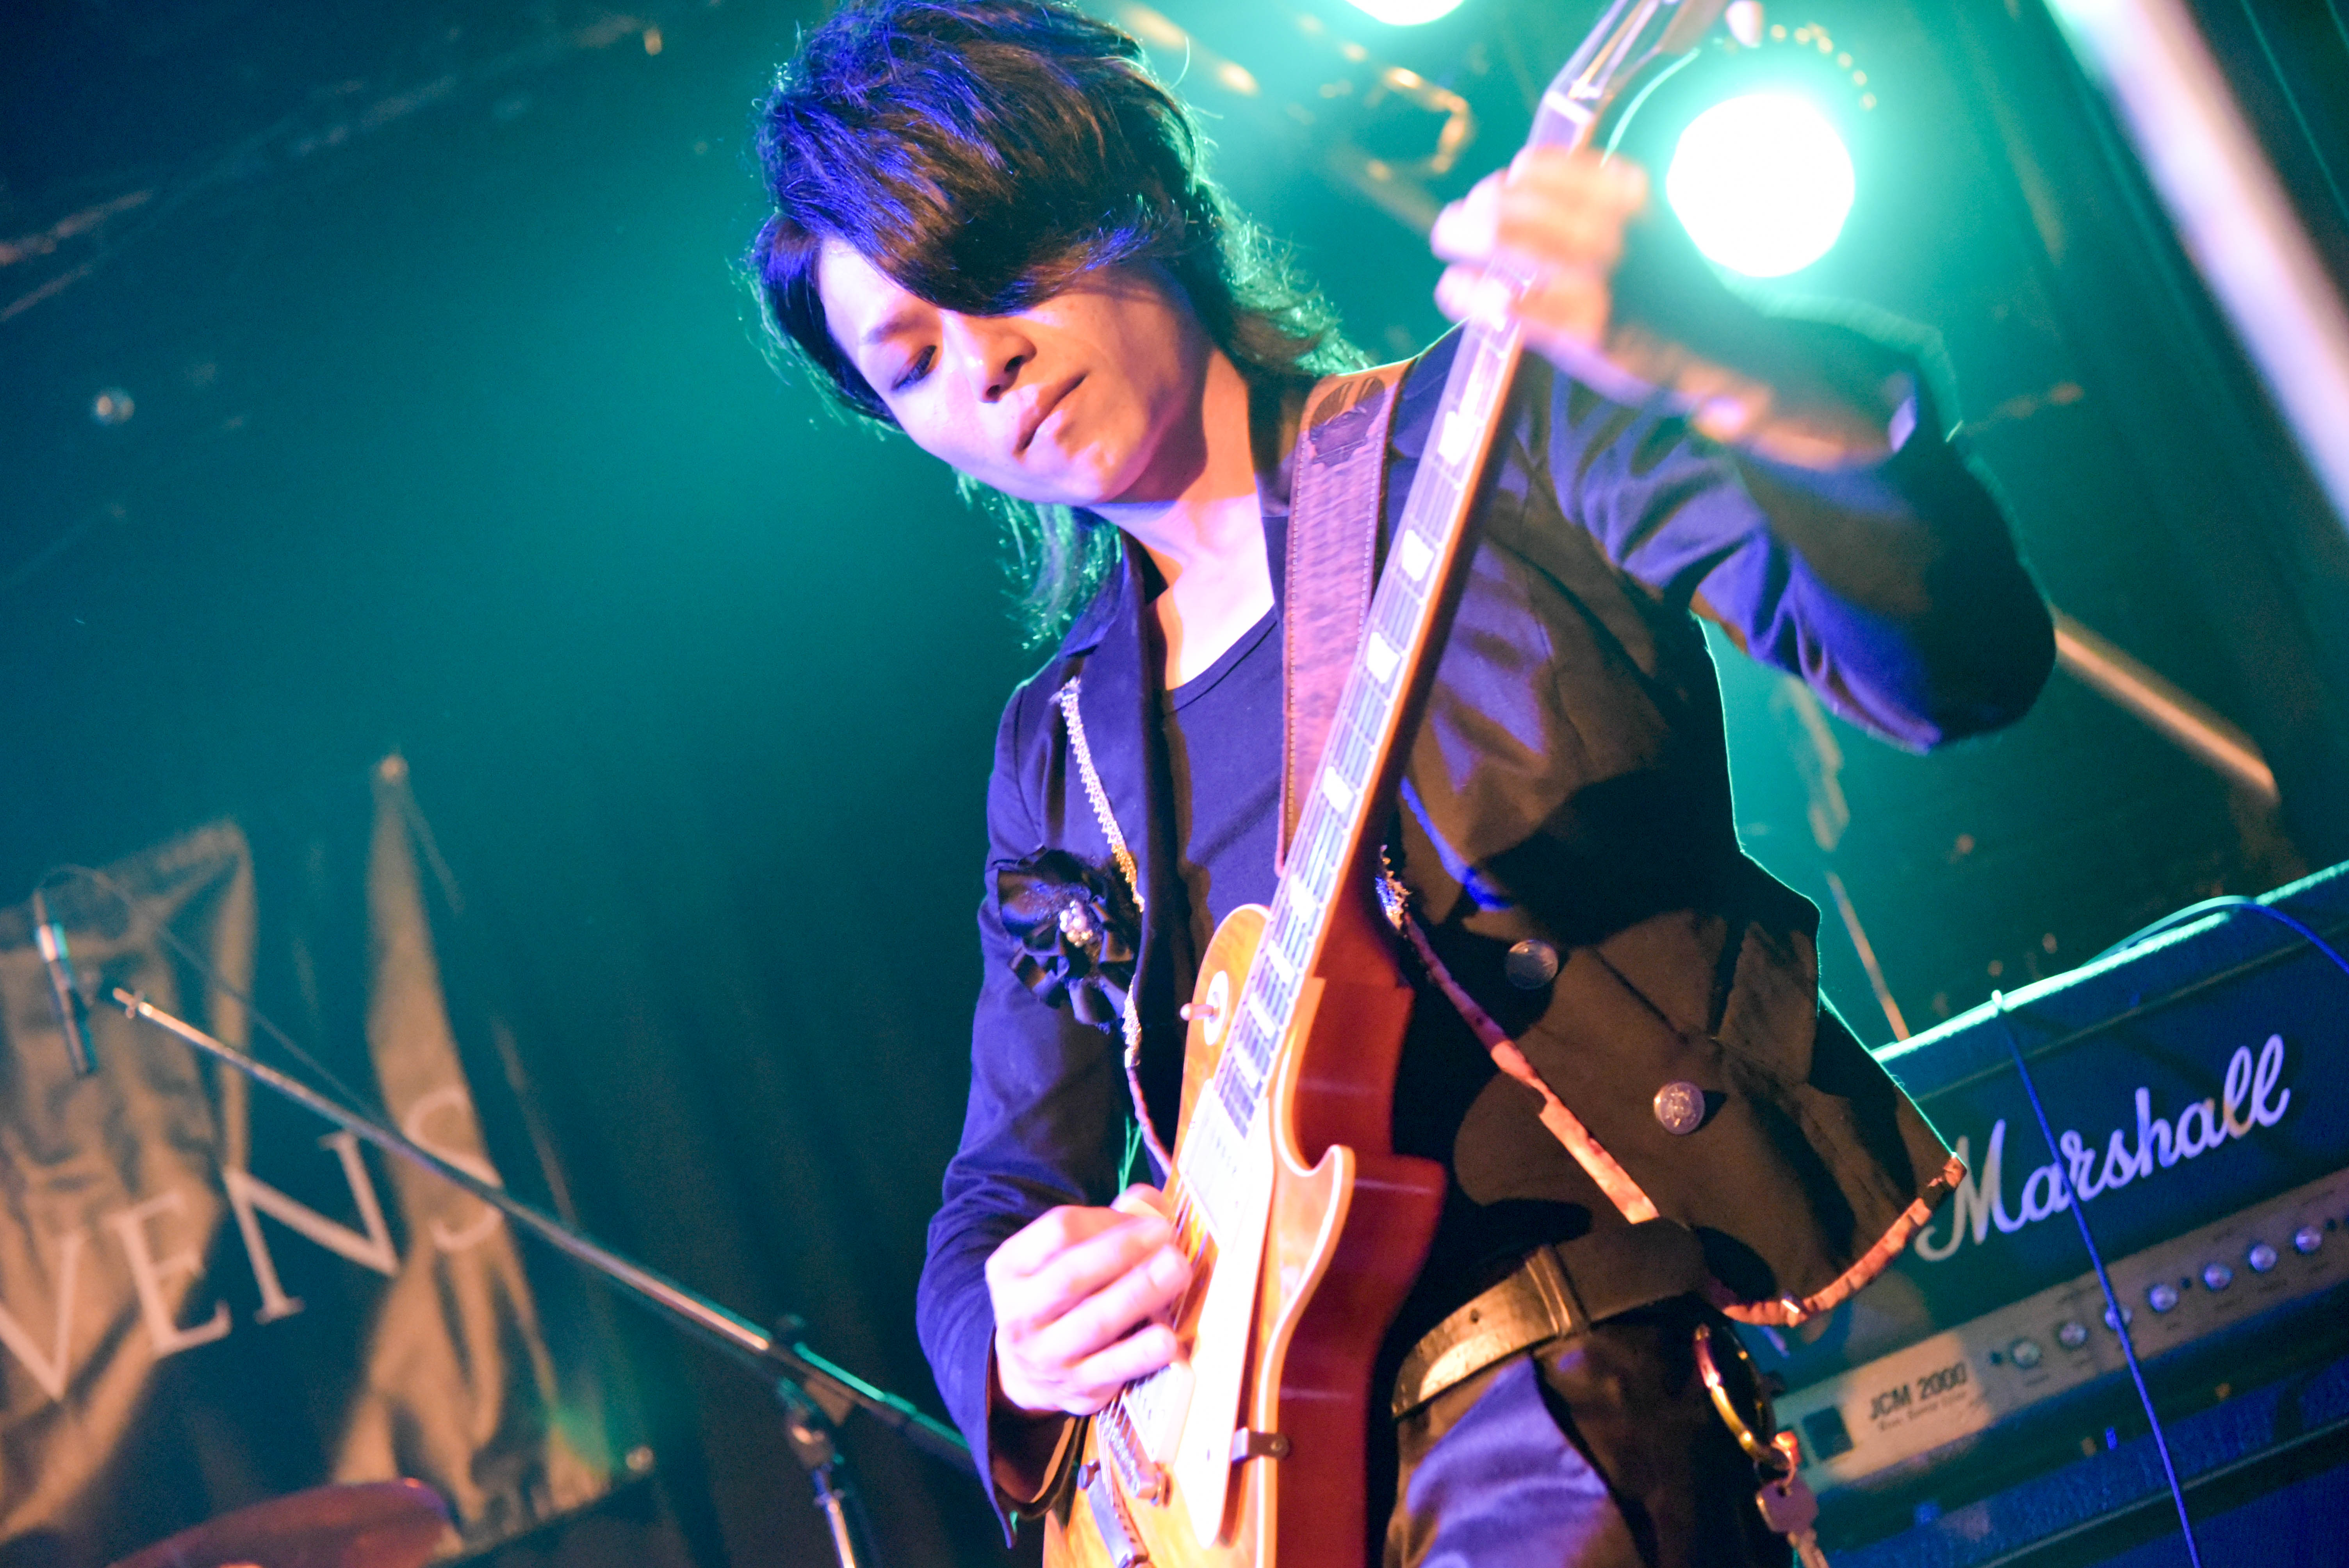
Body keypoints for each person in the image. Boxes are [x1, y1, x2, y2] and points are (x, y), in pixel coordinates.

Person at [749, 2, 2054, 1563]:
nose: (984, 363)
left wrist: (1735, 367)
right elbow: (997, 1190)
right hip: (1264, 1481)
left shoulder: (1495, 435)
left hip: (1567, 1400)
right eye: (911, 363)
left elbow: (1956, 666)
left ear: (1131, 192)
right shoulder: (1063, 746)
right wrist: (1011, 1335)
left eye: (992, 273)